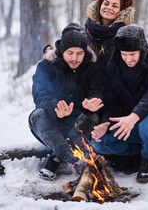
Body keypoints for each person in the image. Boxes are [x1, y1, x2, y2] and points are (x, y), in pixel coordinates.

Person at [90, 25, 148, 183]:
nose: (128, 59)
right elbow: (112, 103)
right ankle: (137, 152)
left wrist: (134, 116)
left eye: (132, 54)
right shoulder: (113, 66)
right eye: (124, 54)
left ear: (141, 50)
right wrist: (104, 124)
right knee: (98, 144)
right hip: (129, 125)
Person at [29, 23, 104, 180]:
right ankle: (76, 160)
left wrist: (90, 102)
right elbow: (41, 94)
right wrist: (56, 108)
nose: (75, 58)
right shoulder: (46, 66)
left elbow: (97, 91)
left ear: (85, 52)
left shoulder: (92, 67)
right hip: (53, 122)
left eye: (79, 53)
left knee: (92, 116)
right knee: (37, 115)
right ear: (61, 51)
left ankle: (56, 159)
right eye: (70, 53)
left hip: (78, 124)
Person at [85, 0, 148, 74]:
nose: (109, 7)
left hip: (116, 83)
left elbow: (143, 55)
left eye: (115, 6)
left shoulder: (127, 34)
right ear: (99, 5)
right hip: (90, 83)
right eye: (106, 4)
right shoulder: (86, 31)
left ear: (121, 11)